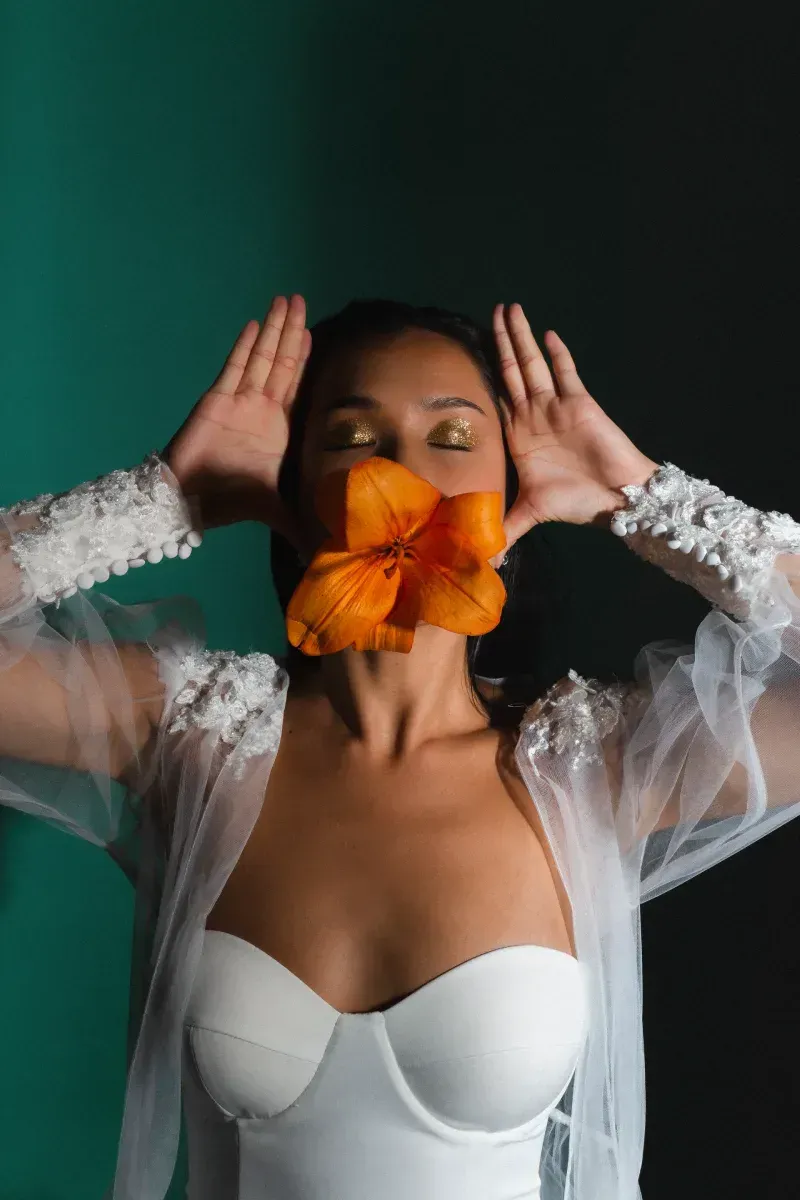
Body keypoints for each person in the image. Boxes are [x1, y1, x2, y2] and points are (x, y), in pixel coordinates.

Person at [2, 294, 799, 1200]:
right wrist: (163, 499)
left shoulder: (591, 766)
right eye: (351, 437)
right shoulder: (189, 737)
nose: (404, 473)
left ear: (513, 491)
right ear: (293, 489)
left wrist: (641, 497)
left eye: (452, 438)